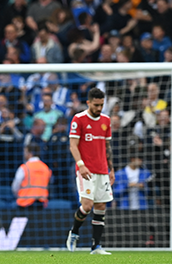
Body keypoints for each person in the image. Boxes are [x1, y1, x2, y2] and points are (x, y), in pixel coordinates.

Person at [66, 88, 114, 255]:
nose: (99, 108)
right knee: (87, 206)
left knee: (100, 206)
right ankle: (74, 232)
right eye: (96, 105)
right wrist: (81, 164)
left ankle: (96, 247)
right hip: (86, 170)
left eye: (101, 105)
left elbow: (107, 147)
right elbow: (73, 145)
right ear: (88, 103)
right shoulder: (78, 119)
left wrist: (111, 169)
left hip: (102, 169)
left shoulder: (106, 121)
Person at [11, 144, 52, 209]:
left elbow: (15, 187)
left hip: (24, 203)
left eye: (25, 152)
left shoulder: (24, 168)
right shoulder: (46, 168)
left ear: (30, 153)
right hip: (41, 204)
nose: (24, 154)